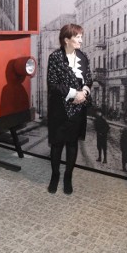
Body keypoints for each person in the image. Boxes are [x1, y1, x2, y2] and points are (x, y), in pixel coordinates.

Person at [46, 23, 92, 195]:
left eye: (81, 36)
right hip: (59, 108)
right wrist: (74, 93)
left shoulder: (83, 56)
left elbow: (88, 79)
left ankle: (68, 177)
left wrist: (85, 92)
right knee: (57, 144)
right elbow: (53, 84)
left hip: (78, 109)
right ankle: (55, 175)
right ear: (67, 40)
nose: (81, 39)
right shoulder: (55, 57)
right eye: (78, 37)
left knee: (72, 144)